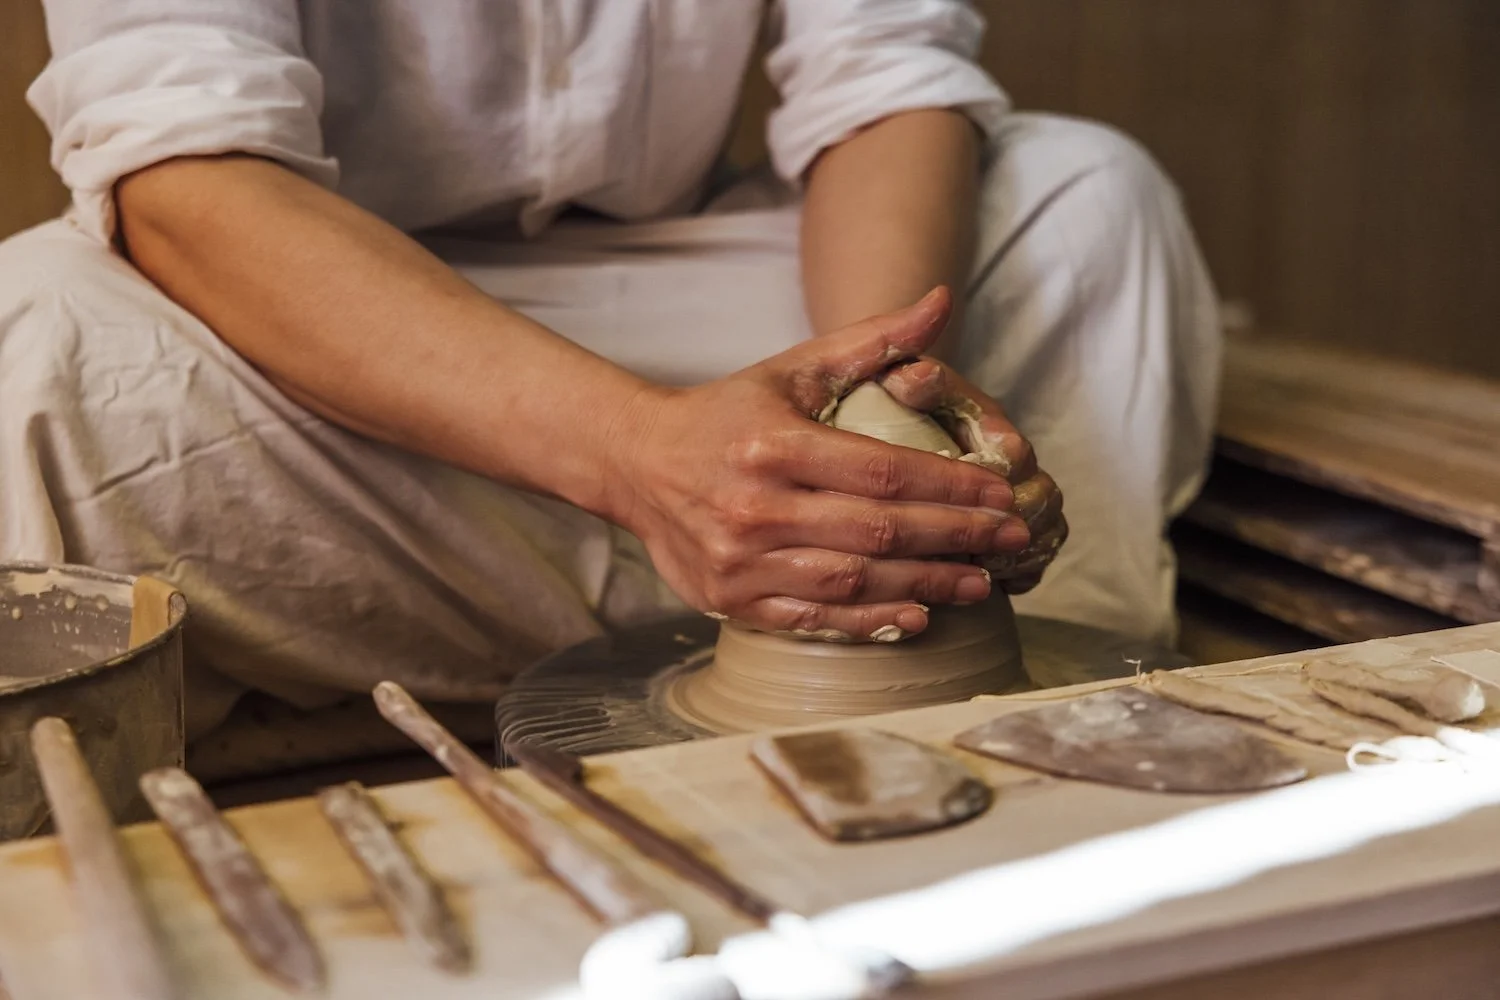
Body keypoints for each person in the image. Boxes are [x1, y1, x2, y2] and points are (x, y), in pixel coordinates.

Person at [0, 1, 1220, 737]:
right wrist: (636, 457)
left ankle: (924, 637)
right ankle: (724, 575)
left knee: (1085, 197)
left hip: (687, 286)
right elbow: (187, 165)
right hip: (327, 317)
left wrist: (860, 422)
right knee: (35, 337)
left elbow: (883, 72)